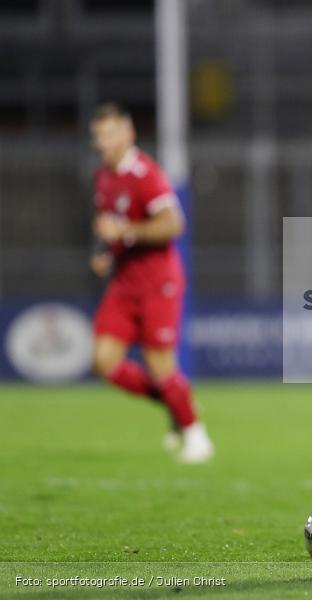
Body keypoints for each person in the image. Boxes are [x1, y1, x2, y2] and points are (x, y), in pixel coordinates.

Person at [89, 102, 213, 464]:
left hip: (158, 282)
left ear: (129, 134)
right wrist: (107, 251)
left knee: (160, 364)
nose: (103, 142)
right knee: (102, 361)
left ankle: (197, 437)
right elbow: (112, 224)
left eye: (109, 134)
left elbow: (173, 224)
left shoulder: (146, 173)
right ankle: (177, 403)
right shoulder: (104, 176)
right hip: (124, 282)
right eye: (98, 136)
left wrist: (125, 231)